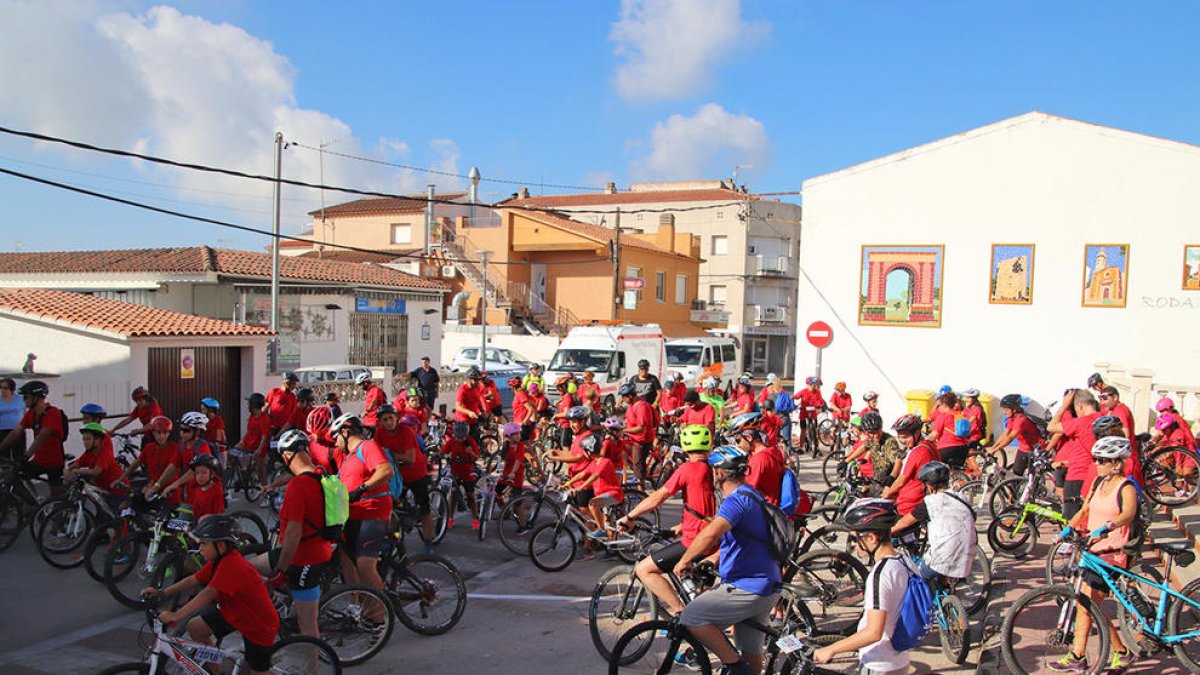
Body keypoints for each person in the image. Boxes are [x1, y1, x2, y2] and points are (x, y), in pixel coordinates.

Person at [673, 445, 781, 675]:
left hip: (747, 587)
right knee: (751, 651)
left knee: (692, 616)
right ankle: (744, 667)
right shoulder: (753, 495)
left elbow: (711, 532)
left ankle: (733, 667)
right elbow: (743, 538)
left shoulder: (735, 501)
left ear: (720, 473)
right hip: (768, 585)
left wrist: (685, 559)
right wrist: (713, 558)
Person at [142, 515, 279, 675]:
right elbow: (194, 579)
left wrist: (176, 615)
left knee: (258, 672)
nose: (199, 548)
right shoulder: (218, 561)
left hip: (257, 624)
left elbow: (207, 594)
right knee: (196, 628)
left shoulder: (232, 565)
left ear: (220, 546)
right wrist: (162, 592)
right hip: (233, 612)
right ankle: (215, 672)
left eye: (204, 544)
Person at [1051, 436, 1139, 673]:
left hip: (1112, 552)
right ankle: (1101, 654)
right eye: (1096, 459)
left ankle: (1106, 653)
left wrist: (1108, 526)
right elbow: (1086, 508)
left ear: (1117, 463)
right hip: (1092, 550)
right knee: (1085, 604)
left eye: (1101, 460)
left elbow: (1128, 513)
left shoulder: (1126, 486)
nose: (1097, 464)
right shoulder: (1100, 481)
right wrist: (1069, 527)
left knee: (1087, 605)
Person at [617, 424, 716, 617]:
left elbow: (659, 497)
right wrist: (682, 525)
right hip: (714, 538)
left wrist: (629, 516)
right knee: (701, 602)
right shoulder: (714, 468)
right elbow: (705, 505)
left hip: (695, 541)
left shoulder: (688, 468)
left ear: (685, 447)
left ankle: (680, 615)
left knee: (644, 569)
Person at [813, 498, 914, 673]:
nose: (852, 544)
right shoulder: (905, 562)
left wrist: (830, 649)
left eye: (854, 538)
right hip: (900, 660)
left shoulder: (880, 575)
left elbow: (873, 632)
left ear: (871, 537)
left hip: (878, 663)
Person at [260, 429, 333, 640]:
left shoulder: (298, 486)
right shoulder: (323, 475)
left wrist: (281, 570)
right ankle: (279, 607)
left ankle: (312, 670)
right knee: (249, 570)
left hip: (304, 560)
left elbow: (292, 534)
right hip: (321, 549)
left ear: (286, 457)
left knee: (308, 629)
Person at [331, 413, 392, 595]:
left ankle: (380, 618)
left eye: (336, 438)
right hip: (352, 515)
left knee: (365, 566)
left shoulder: (367, 446)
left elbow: (385, 470)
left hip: (371, 512)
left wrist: (361, 489)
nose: (335, 443)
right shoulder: (348, 458)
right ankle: (359, 608)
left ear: (345, 432)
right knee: (347, 561)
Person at [890, 461, 977, 588]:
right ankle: (945, 593)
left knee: (915, 577)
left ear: (929, 486)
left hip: (943, 557)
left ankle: (929, 605)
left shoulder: (931, 502)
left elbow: (905, 522)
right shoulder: (961, 497)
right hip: (968, 553)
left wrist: (888, 531)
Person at [1048, 388, 1102, 520]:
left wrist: (1065, 405)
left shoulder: (1081, 422)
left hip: (1078, 474)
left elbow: (1051, 426)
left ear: (1080, 406)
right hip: (1095, 471)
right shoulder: (1104, 417)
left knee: (1072, 519)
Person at [562, 433, 624, 540]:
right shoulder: (594, 462)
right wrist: (567, 483)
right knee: (607, 521)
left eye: (584, 450)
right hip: (602, 495)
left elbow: (594, 476)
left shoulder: (605, 462)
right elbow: (582, 474)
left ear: (589, 451)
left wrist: (579, 488)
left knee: (592, 503)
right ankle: (611, 546)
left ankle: (601, 530)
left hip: (613, 494)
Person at [882, 414, 940, 516]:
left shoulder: (917, 451)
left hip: (910, 505)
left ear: (917, 433)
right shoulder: (930, 445)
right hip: (926, 501)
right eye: (899, 437)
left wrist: (887, 494)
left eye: (905, 437)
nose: (902, 441)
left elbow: (901, 480)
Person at [118, 415, 179, 502]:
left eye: (165, 433)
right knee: (128, 505)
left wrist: (155, 487)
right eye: (158, 432)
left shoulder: (174, 449)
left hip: (169, 489)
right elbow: (136, 463)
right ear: (153, 433)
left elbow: (171, 472)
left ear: (169, 434)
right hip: (152, 487)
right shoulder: (149, 447)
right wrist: (122, 478)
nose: (161, 436)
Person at [731, 414, 786, 505]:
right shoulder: (772, 451)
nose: (737, 445)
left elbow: (744, 492)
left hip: (765, 511)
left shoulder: (759, 460)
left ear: (749, 437)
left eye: (738, 440)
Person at [161, 412, 213, 502]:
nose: (182, 433)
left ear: (197, 431)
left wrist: (174, 485)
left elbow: (194, 471)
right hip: (189, 493)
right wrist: (157, 485)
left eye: (186, 430)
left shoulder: (203, 447)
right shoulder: (181, 444)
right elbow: (172, 466)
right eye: (181, 429)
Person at [844, 412, 903, 489]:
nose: (876, 435)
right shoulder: (872, 439)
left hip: (888, 483)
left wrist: (892, 476)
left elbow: (898, 460)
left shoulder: (889, 441)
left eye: (878, 431)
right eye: (872, 433)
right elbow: (864, 447)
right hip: (877, 480)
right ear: (866, 432)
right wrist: (846, 461)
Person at [989, 394, 1043, 477]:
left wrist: (997, 449)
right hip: (1023, 448)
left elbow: (1011, 437)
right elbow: (1006, 434)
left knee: (1031, 477)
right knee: (1016, 474)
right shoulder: (1012, 418)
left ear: (1014, 409)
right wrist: (994, 447)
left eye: (1006, 410)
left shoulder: (1021, 420)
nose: (1004, 412)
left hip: (1033, 450)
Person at [65, 423, 123, 496]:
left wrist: (76, 471)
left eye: (88, 439)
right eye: (84, 439)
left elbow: (96, 472)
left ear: (98, 440)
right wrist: (67, 470)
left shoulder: (104, 453)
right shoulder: (88, 453)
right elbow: (78, 463)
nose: (85, 442)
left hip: (117, 490)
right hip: (103, 488)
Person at [497, 422, 532, 530]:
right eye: (516, 434)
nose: (519, 436)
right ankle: (505, 511)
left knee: (517, 502)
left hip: (516, 476)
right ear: (509, 436)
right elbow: (500, 459)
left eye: (519, 433)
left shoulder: (520, 446)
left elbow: (518, 461)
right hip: (505, 475)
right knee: (497, 493)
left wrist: (512, 473)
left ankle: (523, 525)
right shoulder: (506, 445)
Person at [620, 384, 656, 482]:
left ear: (630, 396)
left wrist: (624, 430)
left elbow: (641, 428)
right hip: (632, 438)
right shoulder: (631, 406)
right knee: (621, 452)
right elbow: (627, 420)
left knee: (638, 464)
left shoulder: (642, 407)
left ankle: (641, 490)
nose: (622, 399)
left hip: (642, 440)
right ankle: (639, 473)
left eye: (624, 397)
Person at [927, 391, 969, 469]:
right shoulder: (958, 414)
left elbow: (934, 435)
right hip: (963, 448)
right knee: (955, 472)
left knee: (931, 467)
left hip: (947, 448)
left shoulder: (943, 416)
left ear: (945, 405)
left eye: (939, 406)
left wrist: (923, 441)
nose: (938, 408)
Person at [239, 393, 272, 484]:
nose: (247, 406)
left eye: (249, 404)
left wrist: (259, 450)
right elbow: (249, 431)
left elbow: (264, 437)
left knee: (261, 471)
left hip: (258, 446)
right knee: (232, 452)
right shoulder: (252, 416)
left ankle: (266, 490)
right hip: (248, 443)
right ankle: (242, 471)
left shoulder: (264, 418)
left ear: (254, 405)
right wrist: (242, 441)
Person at [183, 454, 226, 521]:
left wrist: (205, 517)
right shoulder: (197, 487)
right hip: (195, 522)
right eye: (197, 473)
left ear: (212, 474)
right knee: (170, 525)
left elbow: (219, 514)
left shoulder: (216, 490)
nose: (200, 476)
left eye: (204, 472)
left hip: (208, 526)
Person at [453, 367, 487, 440]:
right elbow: (457, 406)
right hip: (463, 421)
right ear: (469, 380)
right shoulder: (462, 390)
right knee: (467, 443)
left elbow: (478, 401)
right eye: (475, 380)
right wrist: (469, 412)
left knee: (476, 441)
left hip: (473, 419)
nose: (478, 382)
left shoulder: (477, 387)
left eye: (478, 380)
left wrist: (482, 411)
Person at [794, 376, 827, 443]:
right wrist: (793, 405)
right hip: (803, 412)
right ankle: (801, 445)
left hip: (813, 412)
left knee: (815, 428)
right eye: (816, 385)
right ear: (811, 384)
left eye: (818, 386)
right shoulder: (803, 391)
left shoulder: (817, 392)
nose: (817, 387)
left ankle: (815, 445)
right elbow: (795, 397)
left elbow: (820, 400)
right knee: (803, 430)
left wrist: (820, 405)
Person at [265, 372, 299, 436]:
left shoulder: (292, 397)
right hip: (272, 427)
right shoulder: (274, 392)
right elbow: (266, 407)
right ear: (287, 383)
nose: (295, 386)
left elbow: (293, 415)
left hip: (285, 429)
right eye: (293, 383)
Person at [551, 375, 580, 449]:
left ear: (565, 386)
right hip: (562, 425)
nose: (558, 390)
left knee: (566, 450)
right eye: (557, 388)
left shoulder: (568, 398)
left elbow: (566, 413)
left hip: (566, 426)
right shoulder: (565, 396)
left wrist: (556, 416)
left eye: (559, 387)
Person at [0, 377, 25, 462]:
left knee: (19, 455)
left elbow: (25, 412)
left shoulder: (20, 399)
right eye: (1, 387)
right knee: (4, 456)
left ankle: (19, 473)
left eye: (5, 388)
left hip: (18, 430)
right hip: (2, 431)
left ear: (11, 389)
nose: (2, 390)